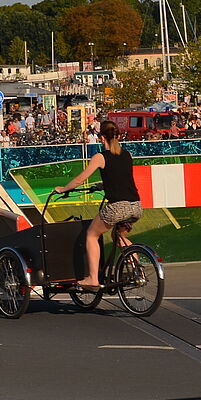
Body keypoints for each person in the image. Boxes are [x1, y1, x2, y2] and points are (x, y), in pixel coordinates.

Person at [52, 120, 142, 291]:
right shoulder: (127, 154)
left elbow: (80, 179)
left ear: (101, 138)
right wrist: (104, 184)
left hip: (117, 207)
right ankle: (137, 270)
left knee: (92, 235)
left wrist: (63, 189)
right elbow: (120, 177)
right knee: (119, 238)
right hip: (136, 205)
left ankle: (93, 278)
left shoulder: (100, 157)